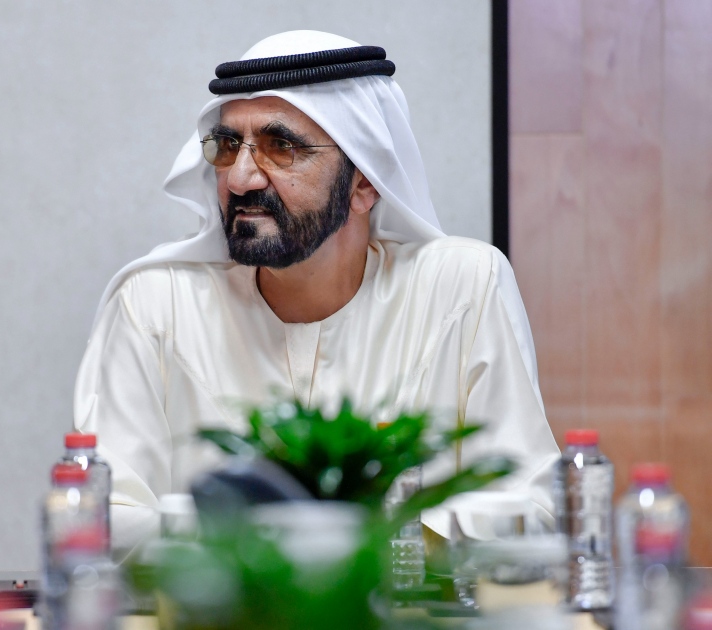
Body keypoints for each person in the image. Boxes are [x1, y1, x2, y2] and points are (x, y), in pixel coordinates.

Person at [73, 31, 560, 559]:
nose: (239, 178)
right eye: (227, 146)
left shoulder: (461, 287)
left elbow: (530, 507)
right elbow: (102, 520)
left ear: (364, 183)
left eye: (281, 147)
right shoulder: (154, 305)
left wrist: (361, 548)